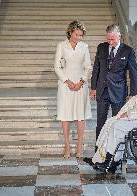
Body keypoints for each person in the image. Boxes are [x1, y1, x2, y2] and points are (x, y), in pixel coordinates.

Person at [91, 24, 137, 143]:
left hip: (118, 92)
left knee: (118, 122)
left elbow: (133, 74)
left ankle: (116, 154)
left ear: (119, 36)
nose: (110, 42)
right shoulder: (101, 47)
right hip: (102, 91)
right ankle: (99, 153)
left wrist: (133, 94)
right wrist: (93, 87)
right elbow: (96, 68)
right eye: (108, 39)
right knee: (100, 122)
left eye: (112, 39)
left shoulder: (128, 51)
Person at [54, 21, 92, 159]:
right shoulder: (61, 46)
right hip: (65, 85)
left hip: (81, 85)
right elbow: (57, 67)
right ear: (70, 32)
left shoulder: (84, 47)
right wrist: (68, 82)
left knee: (80, 116)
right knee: (65, 115)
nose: (79, 38)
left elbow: (88, 67)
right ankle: (67, 145)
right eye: (77, 34)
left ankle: (80, 145)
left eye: (81, 35)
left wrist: (82, 81)